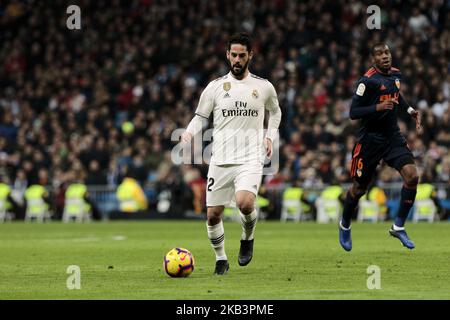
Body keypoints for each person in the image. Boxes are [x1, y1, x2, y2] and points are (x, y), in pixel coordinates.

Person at [181, 33, 282, 274]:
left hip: (250, 158)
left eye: (242, 55)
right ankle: (221, 259)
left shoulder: (263, 86)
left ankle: (248, 238)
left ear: (250, 56)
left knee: (245, 204)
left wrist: (269, 136)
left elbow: (276, 112)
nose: (237, 59)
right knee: (213, 215)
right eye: (233, 55)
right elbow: (201, 116)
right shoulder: (215, 87)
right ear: (227, 55)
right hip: (221, 159)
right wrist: (188, 133)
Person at [339, 43, 422, 251]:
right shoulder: (367, 81)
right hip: (369, 141)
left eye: (387, 52)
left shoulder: (395, 75)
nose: (385, 56)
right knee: (359, 190)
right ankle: (345, 223)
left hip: (392, 137)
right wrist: (377, 107)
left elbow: (396, 96)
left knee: (412, 176)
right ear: (373, 59)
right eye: (379, 54)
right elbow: (353, 112)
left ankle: (398, 226)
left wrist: (410, 110)